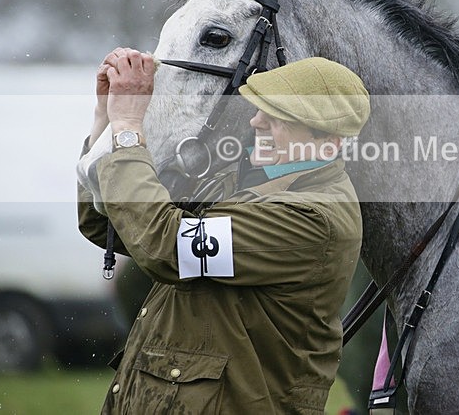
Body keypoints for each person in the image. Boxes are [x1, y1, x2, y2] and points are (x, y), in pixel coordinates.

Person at [77, 49, 370, 414]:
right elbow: (107, 224)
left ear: (330, 142)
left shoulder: (310, 216)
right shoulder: (250, 182)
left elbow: (165, 247)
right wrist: (105, 119)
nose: (257, 122)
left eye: (278, 115)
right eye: (260, 108)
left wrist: (128, 129)